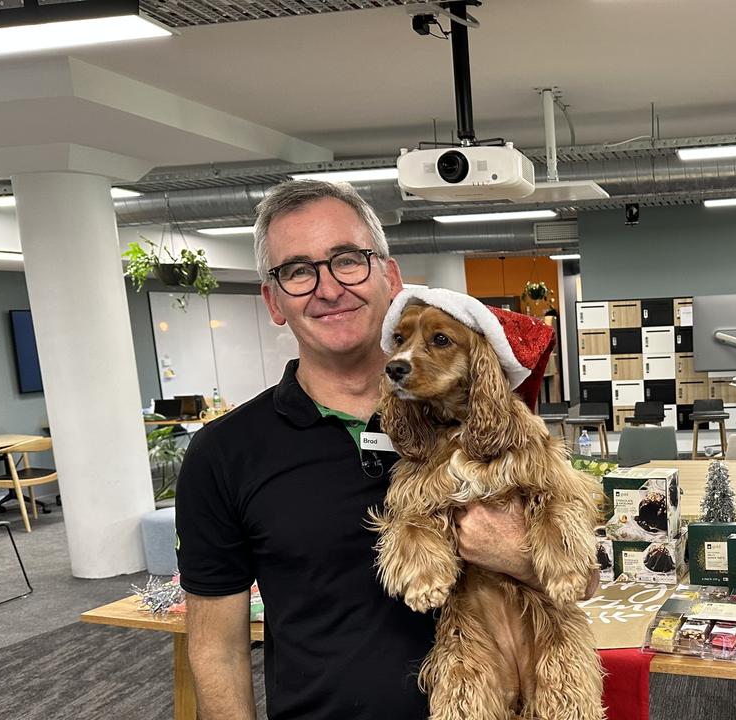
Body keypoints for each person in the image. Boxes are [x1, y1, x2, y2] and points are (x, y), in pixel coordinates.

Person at [175, 180, 579, 720]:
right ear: (274, 301)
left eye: (348, 260)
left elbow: (583, 577)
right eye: (297, 271)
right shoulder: (223, 453)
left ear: (390, 278)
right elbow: (216, 647)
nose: (328, 287)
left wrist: (514, 554)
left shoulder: (483, 427)